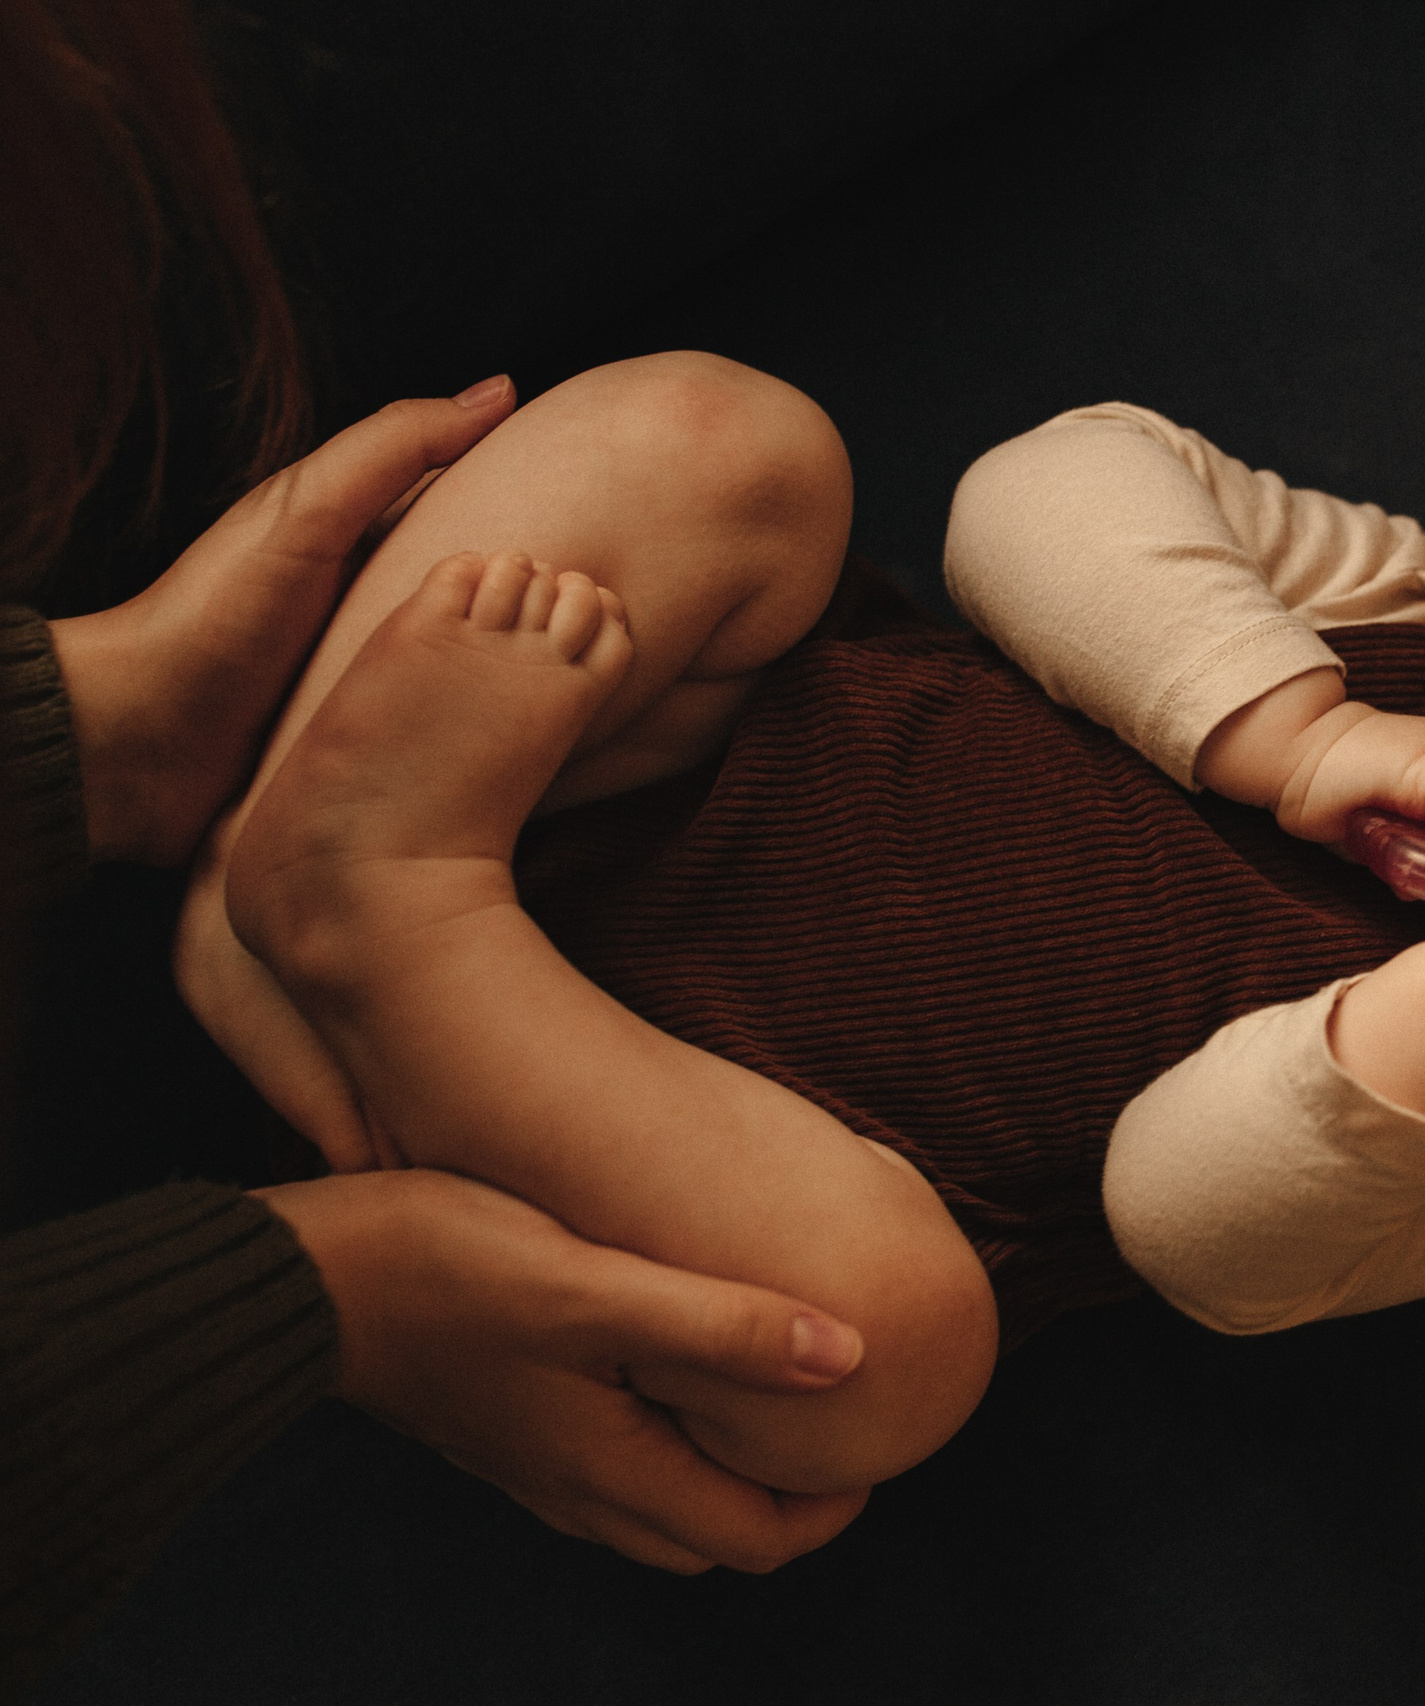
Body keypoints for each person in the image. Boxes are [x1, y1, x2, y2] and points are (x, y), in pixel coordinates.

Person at [177, 387, 1425, 1492]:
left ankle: (389, 918)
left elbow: (1195, 1227)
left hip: (691, 1140)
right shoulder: (1402, 606)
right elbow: (1038, 496)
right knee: (726, 441)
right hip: (652, 751)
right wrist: (1298, 730)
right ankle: (290, 872)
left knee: (893, 1355)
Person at [0, 1, 875, 1687]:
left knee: (864, 1361)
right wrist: (321, 1287)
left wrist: (78, 720)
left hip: (767, 1107)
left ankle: (253, 829)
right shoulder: (1413, 617)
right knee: (723, 443)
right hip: (581, 854)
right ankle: (371, 896)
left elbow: (1241, 1209)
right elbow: (1067, 506)